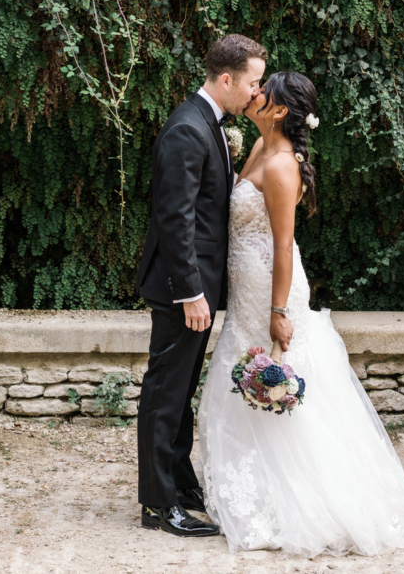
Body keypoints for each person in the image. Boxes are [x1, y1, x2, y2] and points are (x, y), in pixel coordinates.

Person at [197, 71, 404, 555]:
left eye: (264, 91)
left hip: (269, 288)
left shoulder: (282, 164)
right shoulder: (260, 147)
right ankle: (251, 487)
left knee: (275, 375)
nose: (255, 93)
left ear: (280, 110)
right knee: (238, 374)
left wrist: (279, 311)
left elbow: (284, 245)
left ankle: (296, 498)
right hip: (245, 285)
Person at [136, 34, 267, 537]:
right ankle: (158, 505)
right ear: (227, 79)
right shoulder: (186, 130)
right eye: (252, 83)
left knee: (181, 388)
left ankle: (179, 481)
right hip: (180, 288)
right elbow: (175, 220)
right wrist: (191, 292)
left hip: (199, 286)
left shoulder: (209, 124)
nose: (256, 93)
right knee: (165, 394)